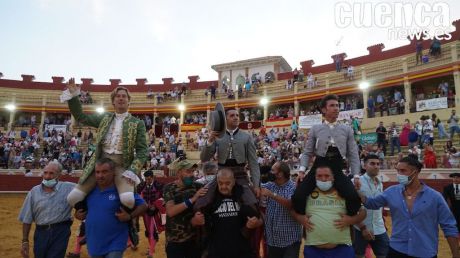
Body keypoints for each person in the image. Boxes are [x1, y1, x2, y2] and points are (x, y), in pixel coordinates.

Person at [62, 78, 148, 209]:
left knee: (128, 200)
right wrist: (74, 96)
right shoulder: (104, 118)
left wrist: (133, 170)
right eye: (118, 96)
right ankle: (90, 214)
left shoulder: (137, 123)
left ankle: (126, 224)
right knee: (72, 198)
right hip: (100, 163)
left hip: (121, 165)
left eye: (124, 96)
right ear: (113, 101)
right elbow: (80, 117)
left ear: (128, 101)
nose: (121, 98)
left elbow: (142, 151)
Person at [361, 156, 459, 258]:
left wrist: (456, 254)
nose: (399, 174)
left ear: (415, 172)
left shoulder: (435, 197)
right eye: (398, 171)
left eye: (403, 171)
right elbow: (371, 203)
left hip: (424, 251)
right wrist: (356, 190)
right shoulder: (391, 192)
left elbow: (449, 227)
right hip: (396, 250)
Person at [293, 94, 361, 216]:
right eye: (332, 106)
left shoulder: (347, 129)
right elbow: (308, 151)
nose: (336, 108)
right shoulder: (315, 128)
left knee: (354, 198)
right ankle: (307, 220)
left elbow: (353, 154)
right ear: (324, 110)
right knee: (298, 197)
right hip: (319, 165)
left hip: (337, 167)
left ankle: (346, 223)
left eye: (337, 106)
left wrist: (356, 175)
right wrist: (302, 170)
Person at [74, 158, 147, 258]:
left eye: (104, 172)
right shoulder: (89, 191)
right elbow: (81, 210)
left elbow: (143, 205)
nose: (100, 175)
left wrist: (130, 216)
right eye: (97, 172)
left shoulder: (122, 191)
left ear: (113, 172)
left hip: (116, 241)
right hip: (94, 242)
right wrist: (77, 214)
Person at [292, 163, 366, 258]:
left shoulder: (344, 193)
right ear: (315, 178)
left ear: (333, 177)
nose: (323, 179)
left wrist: (351, 220)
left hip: (342, 249)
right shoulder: (306, 194)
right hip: (313, 250)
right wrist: (299, 218)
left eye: (327, 176)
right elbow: (291, 209)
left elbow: (363, 212)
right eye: (319, 176)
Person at [198, 107, 260, 210]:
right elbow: (204, 158)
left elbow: (253, 163)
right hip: (221, 175)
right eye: (232, 115)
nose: (236, 118)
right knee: (201, 203)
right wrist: (209, 141)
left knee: (252, 205)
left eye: (237, 115)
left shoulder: (247, 137)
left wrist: (256, 184)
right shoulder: (217, 135)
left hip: (240, 175)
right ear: (225, 119)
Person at [192, 168, 263, 258]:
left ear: (233, 182)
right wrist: (195, 220)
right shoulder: (209, 199)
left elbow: (260, 218)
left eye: (227, 183)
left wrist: (253, 224)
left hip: (241, 251)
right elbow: (194, 222)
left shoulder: (243, 197)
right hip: (216, 251)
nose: (224, 186)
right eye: (220, 183)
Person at [18, 161, 76, 258]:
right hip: (41, 233)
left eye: (51, 173)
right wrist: (25, 241)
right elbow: (27, 218)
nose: (47, 176)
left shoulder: (69, 188)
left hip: (60, 232)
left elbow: (85, 191)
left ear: (59, 175)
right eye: (45, 173)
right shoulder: (34, 192)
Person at [163, 158, 208, 258]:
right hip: (175, 241)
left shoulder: (199, 186)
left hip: (195, 240)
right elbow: (170, 211)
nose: (192, 174)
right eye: (188, 171)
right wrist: (193, 199)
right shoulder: (169, 188)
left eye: (193, 171)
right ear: (179, 172)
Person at [261, 161, 302, 258]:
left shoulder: (293, 187)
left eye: (273, 170)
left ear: (280, 174)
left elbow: (290, 204)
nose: (270, 172)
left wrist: (272, 195)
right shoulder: (270, 185)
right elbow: (256, 189)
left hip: (290, 241)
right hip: (272, 241)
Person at [353, 155, 389, 258]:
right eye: (372, 163)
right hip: (360, 229)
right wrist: (362, 227)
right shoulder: (356, 182)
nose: (376, 166)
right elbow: (350, 208)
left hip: (380, 228)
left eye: (378, 164)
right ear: (364, 166)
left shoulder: (380, 183)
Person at [138, 170, 164, 258]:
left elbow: (163, 198)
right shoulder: (141, 186)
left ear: (152, 177)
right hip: (146, 212)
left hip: (155, 212)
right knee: (148, 231)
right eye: (146, 179)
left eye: (149, 179)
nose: (147, 181)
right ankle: (151, 247)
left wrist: (156, 206)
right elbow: (138, 197)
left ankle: (151, 252)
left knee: (152, 230)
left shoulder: (159, 185)